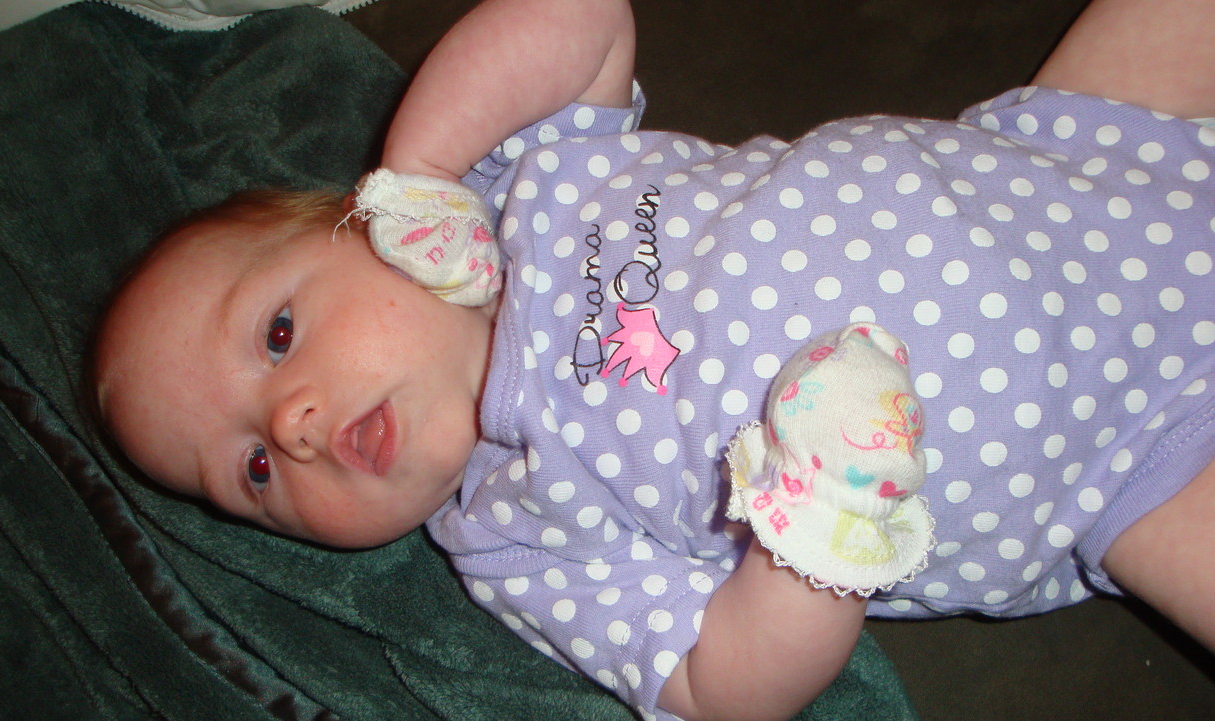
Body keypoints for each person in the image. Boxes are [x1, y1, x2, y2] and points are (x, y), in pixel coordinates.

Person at [92, 0, 1215, 719]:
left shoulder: (522, 178)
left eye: (278, 334)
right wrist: (820, 536)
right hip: (1119, 464)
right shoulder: (514, 540)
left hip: (1073, 146)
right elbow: (715, 683)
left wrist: (426, 163)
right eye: (251, 470)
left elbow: (580, 16)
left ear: (356, 220)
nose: (289, 423)